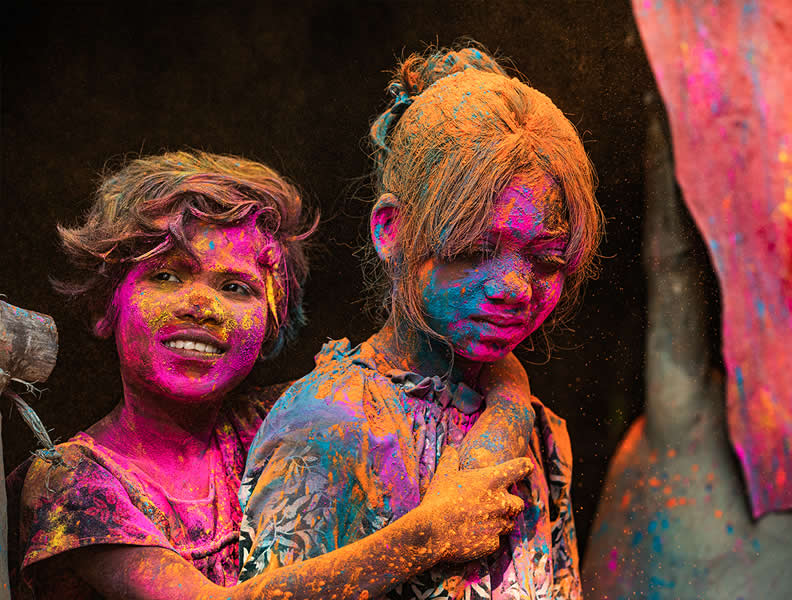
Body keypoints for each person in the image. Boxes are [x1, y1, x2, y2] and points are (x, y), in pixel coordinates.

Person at [11, 150, 535, 599]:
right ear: (107, 306)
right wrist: (426, 536)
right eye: (165, 276)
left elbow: (421, 369)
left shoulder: (286, 418)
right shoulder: (72, 480)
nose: (200, 305)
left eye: (235, 287)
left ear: (272, 321)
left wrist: (507, 382)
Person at [239, 45, 603, 599]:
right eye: (476, 250)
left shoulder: (541, 430)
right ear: (391, 230)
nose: (514, 288)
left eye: (547, 261)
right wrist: (422, 540)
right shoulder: (331, 423)